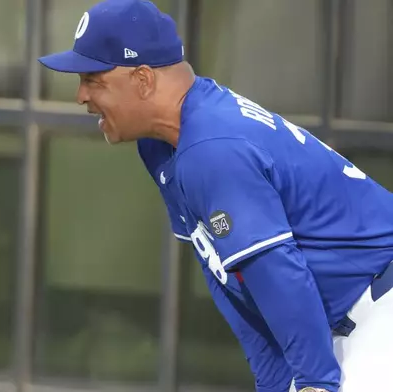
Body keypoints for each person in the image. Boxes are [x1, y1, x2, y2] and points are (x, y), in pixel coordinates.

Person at [38, 1, 393, 391]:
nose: (80, 95)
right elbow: (230, 275)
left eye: (92, 79)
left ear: (142, 79)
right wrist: (275, 383)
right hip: (352, 313)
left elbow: (278, 272)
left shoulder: (211, 148)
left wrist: (316, 383)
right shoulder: (164, 144)